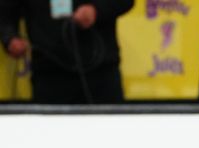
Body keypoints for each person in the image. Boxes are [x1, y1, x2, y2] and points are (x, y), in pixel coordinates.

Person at [0, 0, 133, 104]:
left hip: (101, 70)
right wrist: (10, 38)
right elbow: (5, 11)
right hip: (49, 72)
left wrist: (96, 10)